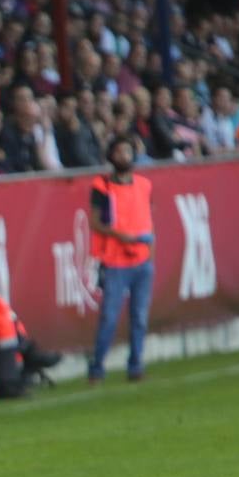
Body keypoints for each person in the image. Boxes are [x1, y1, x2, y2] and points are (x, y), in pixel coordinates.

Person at [88, 135, 155, 382]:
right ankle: (97, 366)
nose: (124, 157)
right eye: (119, 152)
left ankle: (135, 365)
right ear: (111, 156)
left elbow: (150, 218)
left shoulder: (144, 185)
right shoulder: (102, 185)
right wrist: (119, 235)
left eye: (127, 152)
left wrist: (151, 253)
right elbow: (95, 222)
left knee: (140, 317)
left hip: (142, 260)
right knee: (109, 317)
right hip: (114, 260)